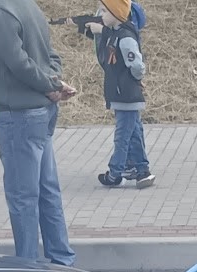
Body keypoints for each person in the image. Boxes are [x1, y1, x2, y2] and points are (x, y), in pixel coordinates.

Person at [0, 0, 77, 265]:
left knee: (22, 198)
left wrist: (49, 85)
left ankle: (28, 268)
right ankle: (61, 261)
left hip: (20, 114)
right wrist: (53, 82)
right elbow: (51, 54)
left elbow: (17, 62)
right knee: (47, 191)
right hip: (40, 111)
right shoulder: (26, 4)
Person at [86, 0, 154, 188]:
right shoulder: (116, 33)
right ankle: (142, 170)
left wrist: (133, 80)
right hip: (123, 95)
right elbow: (108, 36)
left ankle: (115, 173)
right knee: (134, 133)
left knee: (122, 136)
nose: (100, 15)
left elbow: (137, 65)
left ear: (116, 14)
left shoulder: (125, 38)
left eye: (104, 11)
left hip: (126, 96)